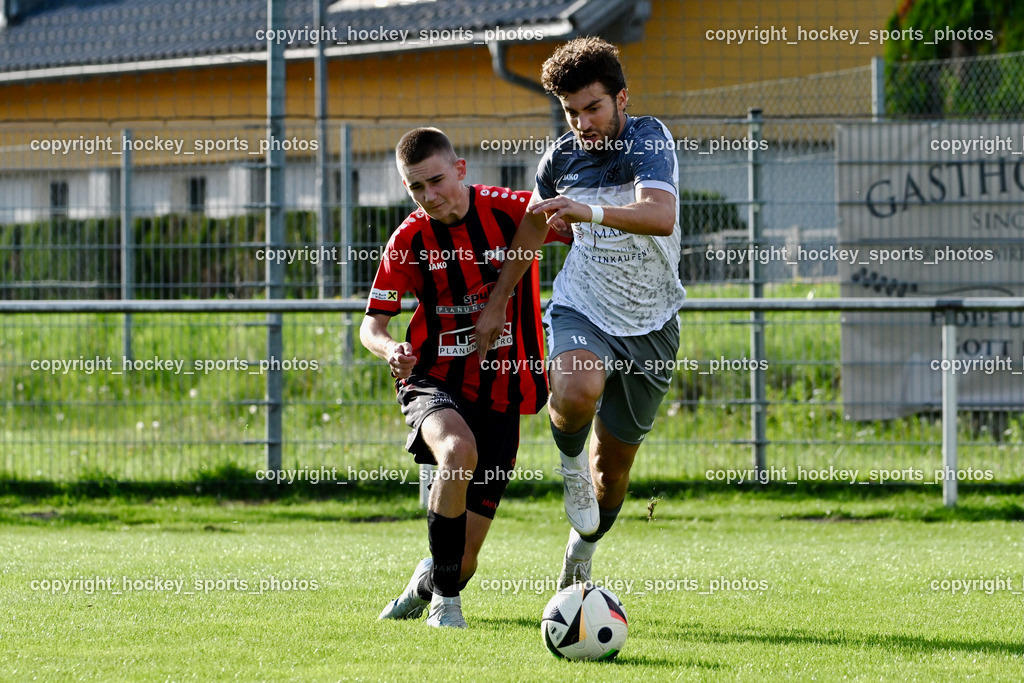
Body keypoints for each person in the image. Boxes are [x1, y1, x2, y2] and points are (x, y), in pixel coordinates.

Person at [475, 37, 686, 589]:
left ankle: (582, 549)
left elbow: (659, 215)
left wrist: (586, 212)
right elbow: (533, 228)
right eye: (572, 112)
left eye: (593, 108)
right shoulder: (559, 159)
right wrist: (497, 304)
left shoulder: (648, 138)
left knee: (612, 472)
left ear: (622, 98)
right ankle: (569, 468)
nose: (583, 123)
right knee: (574, 390)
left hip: (652, 321)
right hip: (583, 304)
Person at [361, 127, 552, 628]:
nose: (428, 196)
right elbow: (371, 325)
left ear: (460, 169)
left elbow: (581, 231)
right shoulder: (408, 240)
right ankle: (445, 606)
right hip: (433, 378)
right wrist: (390, 349)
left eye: (436, 181)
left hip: (503, 390)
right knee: (457, 450)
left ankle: (430, 583)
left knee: (461, 563)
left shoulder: (512, 210)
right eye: (415, 187)